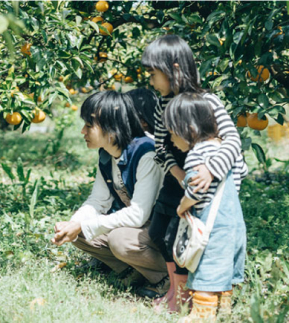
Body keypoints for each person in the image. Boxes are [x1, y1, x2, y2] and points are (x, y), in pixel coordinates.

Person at [139, 34, 248, 311]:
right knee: (161, 232)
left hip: (207, 179)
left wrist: (211, 171)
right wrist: (178, 175)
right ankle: (177, 290)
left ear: (174, 69)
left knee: (193, 236)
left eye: (154, 74)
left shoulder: (207, 101)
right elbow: (161, 148)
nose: (151, 80)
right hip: (181, 174)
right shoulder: (161, 104)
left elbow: (232, 140)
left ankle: (189, 296)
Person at [51, 90, 168, 292]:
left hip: (162, 232)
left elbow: (138, 215)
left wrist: (82, 226)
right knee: (79, 231)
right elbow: (98, 200)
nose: (82, 132)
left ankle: (165, 277)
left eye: (89, 126)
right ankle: (133, 271)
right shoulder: (107, 154)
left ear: (111, 129)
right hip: (140, 228)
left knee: (119, 239)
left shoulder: (146, 153)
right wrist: (74, 224)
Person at [163, 92, 246, 322]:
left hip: (213, 227)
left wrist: (182, 205)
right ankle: (224, 310)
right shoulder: (225, 151)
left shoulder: (196, 154)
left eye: (172, 132)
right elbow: (241, 173)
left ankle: (202, 314)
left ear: (188, 128)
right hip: (234, 224)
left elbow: (196, 190)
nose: (171, 139)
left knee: (207, 269)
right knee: (225, 269)